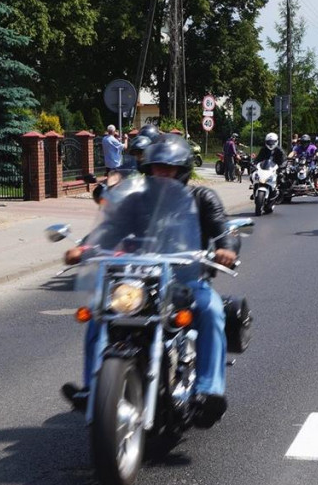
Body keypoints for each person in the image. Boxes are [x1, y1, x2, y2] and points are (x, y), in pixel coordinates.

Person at [61, 136, 238, 427]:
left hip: (186, 280)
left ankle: (208, 391)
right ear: (149, 169)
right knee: (99, 313)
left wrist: (227, 249)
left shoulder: (202, 198)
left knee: (211, 310)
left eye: (169, 168)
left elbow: (223, 230)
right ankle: (93, 388)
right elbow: (111, 228)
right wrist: (84, 248)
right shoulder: (136, 199)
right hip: (140, 279)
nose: (162, 173)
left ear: (181, 170)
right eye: (157, 168)